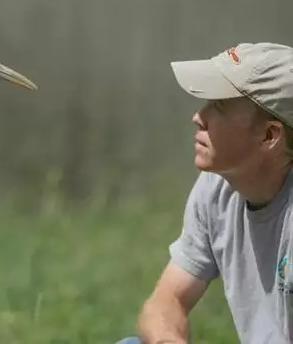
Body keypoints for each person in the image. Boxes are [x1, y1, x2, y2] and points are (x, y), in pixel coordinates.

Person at [117, 42, 293, 344]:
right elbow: (166, 301)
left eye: (220, 106)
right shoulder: (217, 187)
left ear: (269, 135)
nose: (198, 116)